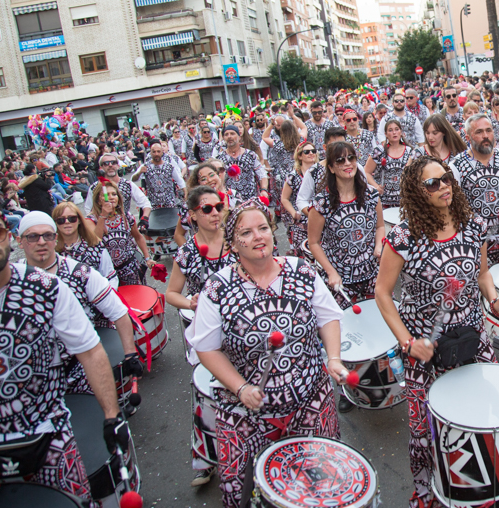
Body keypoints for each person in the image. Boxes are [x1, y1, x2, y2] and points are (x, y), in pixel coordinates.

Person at [0, 196, 126, 507]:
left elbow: (90, 350)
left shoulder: (47, 288)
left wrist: (111, 415)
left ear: (8, 236)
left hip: (48, 438)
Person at [374, 155, 499, 508]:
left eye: (446, 179)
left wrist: (495, 299)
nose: (443, 187)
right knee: (425, 434)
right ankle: (426, 493)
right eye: (432, 183)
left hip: (471, 336)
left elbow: (483, 273)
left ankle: (478, 485)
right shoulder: (403, 237)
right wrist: (407, 343)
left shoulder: (472, 223)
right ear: (416, 192)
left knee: (482, 415)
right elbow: (382, 293)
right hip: (425, 346)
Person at [188, 199, 345, 508]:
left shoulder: (301, 270)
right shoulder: (217, 288)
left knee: (317, 487)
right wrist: (241, 387)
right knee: (245, 493)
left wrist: (334, 358)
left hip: (310, 401)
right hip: (245, 411)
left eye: (263, 229)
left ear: (274, 234)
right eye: (246, 233)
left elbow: (328, 317)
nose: (257, 237)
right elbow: (206, 348)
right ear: (233, 244)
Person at [16, 211, 139, 394]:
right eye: (33, 237)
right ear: (20, 241)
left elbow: (118, 311)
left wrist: (130, 354)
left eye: (47, 236)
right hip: (31, 378)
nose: (41, 242)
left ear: (54, 237)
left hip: (81, 370)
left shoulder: (80, 273)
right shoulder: (11, 279)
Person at [164, 186, 235, 486]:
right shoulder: (186, 252)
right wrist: (191, 302)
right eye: (206, 209)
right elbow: (170, 294)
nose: (215, 213)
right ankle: (206, 460)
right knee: (206, 397)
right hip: (206, 332)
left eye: (218, 206)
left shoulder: (235, 240)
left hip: (238, 328)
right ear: (193, 215)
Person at [308, 141, 384, 310]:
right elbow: (313, 242)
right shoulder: (322, 203)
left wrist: (378, 246)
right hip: (340, 277)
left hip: (372, 272)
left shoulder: (371, 194)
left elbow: (380, 226)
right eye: (340, 160)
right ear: (331, 168)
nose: (348, 163)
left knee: (379, 320)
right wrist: (330, 272)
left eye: (351, 158)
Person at [449, 115, 499, 265]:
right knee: (483, 283)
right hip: (474, 237)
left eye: (489, 130)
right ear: (468, 137)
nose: (485, 136)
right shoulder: (456, 165)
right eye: (479, 132)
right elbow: (449, 202)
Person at [88, 179, 154, 286]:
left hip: (129, 269)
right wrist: (103, 216)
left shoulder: (126, 217)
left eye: (114, 194)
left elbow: (138, 237)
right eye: (106, 194)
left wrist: (147, 258)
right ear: (98, 200)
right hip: (106, 274)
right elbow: (95, 243)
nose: (111, 197)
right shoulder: (91, 220)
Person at [134, 140, 187, 245]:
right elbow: (133, 179)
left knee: (171, 226)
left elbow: (180, 181)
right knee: (155, 228)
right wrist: (140, 172)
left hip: (169, 202)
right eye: (154, 151)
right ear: (151, 152)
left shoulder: (169, 166)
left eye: (159, 151)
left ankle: (174, 247)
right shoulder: (145, 166)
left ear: (162, 152)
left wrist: (185, 194)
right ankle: (158, 251)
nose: (156, 154)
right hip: (154, 203)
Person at [54, 201, 117, 285]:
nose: (67, 222)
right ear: (55, 223)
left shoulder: (95, 246)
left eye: (72, 218)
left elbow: (111, 277)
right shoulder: (52, 252)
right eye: (61, 220)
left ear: (79, 220)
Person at [365, 120, 422, 209]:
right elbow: (366, 172)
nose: (394, 133)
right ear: (386, 134)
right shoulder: (379, 151)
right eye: (390, 130)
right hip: (384, 201)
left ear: (401, 132)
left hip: (405, 201)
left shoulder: (410, 151)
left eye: (396, 129)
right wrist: (376, 187)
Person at [84, 152, 152, 222]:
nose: (110, 165)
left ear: (118, 165)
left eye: (113, 162)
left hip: (125, 227)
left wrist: (144, 219)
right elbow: (88, 210)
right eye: (106, 163)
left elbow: (145, 203)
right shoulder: (94, 188)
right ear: (101, 167)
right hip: (103, 228)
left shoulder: (128, 184)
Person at [282, 142, 319, 257]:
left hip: (319, 218)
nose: (311, 154)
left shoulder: (321, 172)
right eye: (306, 152)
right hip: (301, 220)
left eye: (313, 151)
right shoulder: (293, 176)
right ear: (299, 156)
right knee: (304, 254)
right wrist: (294, 213)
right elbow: (284, 198)